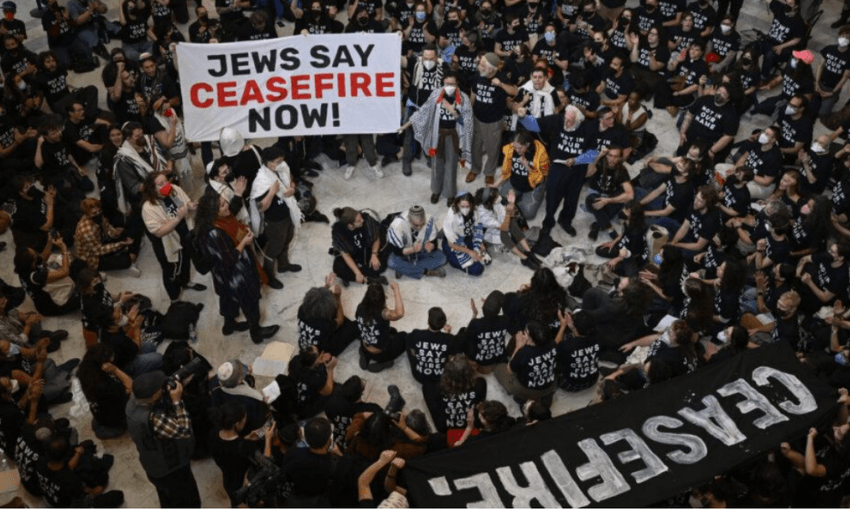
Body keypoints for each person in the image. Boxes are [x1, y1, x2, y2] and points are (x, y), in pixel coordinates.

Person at [193, 193, 279, 343]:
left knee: (228, 299)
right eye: (222, 205)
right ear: (213, 211)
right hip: (237, 275)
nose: (227, 205)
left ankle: (229, 326)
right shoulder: (214, 233)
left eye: (225, 201)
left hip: (222, 276)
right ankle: (256, 333)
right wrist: (244, 242)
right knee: (251, 302)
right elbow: (229, 259)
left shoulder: (210, 223)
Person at [126, 371, 201, 508]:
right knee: (189, 501)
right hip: (171, 469)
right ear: (154, 395)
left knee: (167, 497)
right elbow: (185, 431)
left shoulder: (132, 403)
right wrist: (177, 401)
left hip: (152, 465)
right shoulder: (155, 419)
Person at [407, 71, 473, 204]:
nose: (449, 86)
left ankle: (450, 193)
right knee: (437, 163)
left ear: (457, 84)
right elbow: (424, 110)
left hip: (453, 135)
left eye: (452, 84)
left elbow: (468, 122)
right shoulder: (436, 94)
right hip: (438, 134)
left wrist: (455, 114)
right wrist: (409, 122)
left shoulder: (464, 99)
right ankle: (436, 190)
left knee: (451, 165)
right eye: (447, 83)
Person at [141, 171, 205, 301]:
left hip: (184, 234)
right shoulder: (148, 208)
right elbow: (158, 232)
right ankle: (174, 299)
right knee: (171, 270)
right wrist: (177, 218)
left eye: (166, 181)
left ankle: (186, 282)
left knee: (186, 259)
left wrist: (191, 205)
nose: (166, 185)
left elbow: (185, 202)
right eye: (160, 184)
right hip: (167, 242)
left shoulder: (174, 189)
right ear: (152, 188)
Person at [250, 146, 302, 289]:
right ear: (269, 163)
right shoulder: (261, 181)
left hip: (287, 214)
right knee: (274, 248)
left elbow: (290, 177)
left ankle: (283, 265)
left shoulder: (280, 168)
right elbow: (261, 207)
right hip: (275, 221)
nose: (282, 163)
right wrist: (272, 192)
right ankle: (268, 276)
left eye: (282, 160)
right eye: (278, 161)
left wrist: (292, 187)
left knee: (287, 240)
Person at [209, 401, 274, 507]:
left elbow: (230, 446)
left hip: (228, 480)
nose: (245, 422)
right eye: (244, 420)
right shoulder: (245, 446)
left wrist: (246, 438)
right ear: (237, 424)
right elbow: (267, 464)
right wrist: (268, 439)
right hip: (243, 484)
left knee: (235, 501)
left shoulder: (213, 433)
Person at [466, 52, 518, 185]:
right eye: (480, 64)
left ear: (492, 69)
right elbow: (473, 93)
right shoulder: (478, 75)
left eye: (483, 65)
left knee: (492, 149)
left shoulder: (502, 77)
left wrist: (500, 85)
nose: (479, 67)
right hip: (477, 118)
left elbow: (514, 91)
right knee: (475, 146)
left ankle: (489, 173)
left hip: (494, 121)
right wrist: (469, 112)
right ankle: (475, 169)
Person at [489, 131, 550, 221]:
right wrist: (496, 184)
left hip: (532, 186)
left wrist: (527, 166)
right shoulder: (511, 149)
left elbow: (542, 177)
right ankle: (516, 199)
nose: (517, 150)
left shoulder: (540, 152)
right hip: (515, 183)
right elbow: (506, 170)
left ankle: (526, 199)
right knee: (501, 201)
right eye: (515, 147)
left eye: (520, 148)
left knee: (528, 214)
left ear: (527, 144)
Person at [495, 319, 557, 406]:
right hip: (549, 384)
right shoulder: (552, 344)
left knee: (499, 368)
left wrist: (518, 347)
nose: (524, 332)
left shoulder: (525, 352)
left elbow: (510, 370)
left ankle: (524, 397)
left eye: (526, 331)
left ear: (530, 338)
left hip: (529, 389)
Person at [74, 198, 141, 276]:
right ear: (87, 214)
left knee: (133, 232)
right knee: (127, 259)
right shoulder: (87, 231)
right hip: (93, 258)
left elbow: (107, 227)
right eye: (94, 213)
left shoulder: (99, 216)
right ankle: (129, 258)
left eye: (99, 211)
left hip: (101, 242)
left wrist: (115, 233)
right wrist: (120, 244)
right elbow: (99, 250)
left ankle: (129, 254)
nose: (98, 213)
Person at [77, 343, 132, 439]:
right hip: (116, 420)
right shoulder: (106, 386)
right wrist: (115, 370)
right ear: (104, 364)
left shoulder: (85, 372)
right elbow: (131, 387)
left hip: (101, 412)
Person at [297, 273, 358, 356]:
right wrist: (338, 298)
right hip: (321, 352)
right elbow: (340, 320)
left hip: (304, 344)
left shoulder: (302, 309)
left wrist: (326, 286)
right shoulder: (324, 325)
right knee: (353, 327)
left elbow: (316, 301)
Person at [423, 354, 486, 433]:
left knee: (428, 388)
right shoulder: (480, 384)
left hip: (445, 427)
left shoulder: (435, 388)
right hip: (473, 423)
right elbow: (479, 403)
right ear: (471, 371)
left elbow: (434, 408)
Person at [356, 281, 406, 372]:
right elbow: (399, 313)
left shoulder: (360, 307)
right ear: (382, 297)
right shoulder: (383, 313)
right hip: (380, 353)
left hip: (365, 346)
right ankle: (385, 362)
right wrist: (396, 289)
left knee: (391, 331)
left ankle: (365, 355)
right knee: (404, 336)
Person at [331, 207, 388, 286]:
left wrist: (374, 254)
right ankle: (368, 278)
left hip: (367, 250)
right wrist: (357, 272)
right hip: (353, 254)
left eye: (360, 217)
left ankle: (359, 277)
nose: (362, 220)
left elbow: (376, 238)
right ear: (350, 225)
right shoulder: (338, 231)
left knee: (380, 264)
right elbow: (346, 255)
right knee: (337, 267)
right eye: (358, 221)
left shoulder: (367, 220)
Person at [387, 205, 447, 279]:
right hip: (405, 254)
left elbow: (434, 241)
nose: (419, 227)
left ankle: (405, 269)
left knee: (442, 258)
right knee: (391, 262)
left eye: (422, 224)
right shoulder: (397, 226)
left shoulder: (429, 220)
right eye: (416, 225)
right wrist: (412, 250)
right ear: (409, 219)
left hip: (422, 252)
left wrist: (432, 245)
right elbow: (397, 251)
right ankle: (426, 272)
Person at [406, 307, 459, 385]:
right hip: (439, 377)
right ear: (443, 324)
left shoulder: (416, 334)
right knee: (451, 350)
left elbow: (412, 348)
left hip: (419, 375)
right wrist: (448, 334)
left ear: (428, 322)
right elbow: (452, 353)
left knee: (408, 340)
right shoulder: (450, 339)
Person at [442, 192, 489, 276]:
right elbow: (451, 244)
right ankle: (454, 261)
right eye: (462, 206)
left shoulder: (474, 210)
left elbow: (477, 225)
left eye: (467, 206)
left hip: (467, 236)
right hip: (455, 242)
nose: (465, 209)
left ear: (471, 204)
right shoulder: (451, 217)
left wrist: (480, 243)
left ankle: (472, 251)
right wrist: (470, 252)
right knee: (478, 269)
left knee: (486, 260)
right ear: (457, 204)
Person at [555, 310, 600, 391]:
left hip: (571, 384)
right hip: (592, 380)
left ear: (574, 326)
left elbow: (553, 349)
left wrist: (563, 326)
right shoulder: (598, 339)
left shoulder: (566, 345)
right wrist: (572, 326)